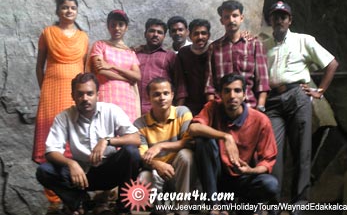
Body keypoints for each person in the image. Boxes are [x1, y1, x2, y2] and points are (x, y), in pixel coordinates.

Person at [264, 1, 339, 209]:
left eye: (283, 17)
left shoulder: (303, 40)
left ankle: (300, 204)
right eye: (275, 17)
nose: (279, 20)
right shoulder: (264, 45)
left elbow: (332, 63)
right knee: (272, 153)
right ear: (270, 20)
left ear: (290, 20)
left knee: (302, 151)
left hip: (297, 95)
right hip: (272, 101)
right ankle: (274, 204)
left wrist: (320, 91)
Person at [36, 73, 141, 215]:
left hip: (110, 171)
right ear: (73, 95)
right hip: (81, 176)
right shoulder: (64, 117)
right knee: (44, 171)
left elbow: (136, 139)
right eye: (80, 94)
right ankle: (81, 203)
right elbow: (50, 152)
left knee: (131, 152)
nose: (85, 98)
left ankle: (123, 208)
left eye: (89, 93)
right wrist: (71, 164)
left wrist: (107, 141)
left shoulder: (111, 110)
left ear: (97, 94)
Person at [189, 73, 278, 215]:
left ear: (244, 95)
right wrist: (226, 137)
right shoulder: (213, 107)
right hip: (216, 175)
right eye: (227, 91)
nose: (232, 96)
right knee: (204, 141)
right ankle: (215, 206)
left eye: (237, 91)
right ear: (220, 95)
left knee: (270, 184)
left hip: (242, 176)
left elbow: (268, 160)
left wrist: (250, 170)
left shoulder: (260, 120)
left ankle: (240, 206)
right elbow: (193, 128)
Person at [32, 0, 89, 213]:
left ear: (77, 11)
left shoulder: (83, 37)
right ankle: (54, 200)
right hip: (51, 90)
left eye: (73, 8)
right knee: (50, 141)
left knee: (73, 140)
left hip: (75, 93)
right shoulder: (48, 33)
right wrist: (44, 89)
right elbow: (39, 66)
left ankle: (73, 196)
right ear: (58, 11)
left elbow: (84, 69)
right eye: (64, 7)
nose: (68, 11)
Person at [134, 77, 195, 215]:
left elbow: (189, 142)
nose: (162, 98)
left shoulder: (182, 112)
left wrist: (161, 147)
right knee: (143, 177)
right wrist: (157, 165)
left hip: (180, 172)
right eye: (156, 94)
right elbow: (142, 155)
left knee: (187, 155)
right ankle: (159, 208)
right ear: (148, 97)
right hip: (156, 172)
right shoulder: (139, 124)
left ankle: (182, 209)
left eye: (166, 93)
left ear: (172, 95)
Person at [205, 0, 270, 111]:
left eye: (235, 16)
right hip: (221, 108)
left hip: (249, 107)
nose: (231, 20)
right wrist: (212, 110)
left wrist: (260, 107)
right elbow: (209, 84)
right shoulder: (214, 48)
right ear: (222, 21)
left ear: (241, 18)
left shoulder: (254, 44)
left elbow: (262, 81)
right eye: (227, 17)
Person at [89, 9, 141, 122]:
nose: (117, 28)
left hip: (127, 98)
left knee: (127, 135)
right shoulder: (100, 45)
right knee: (105, 132)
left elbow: (137, 76)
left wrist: (112, 66)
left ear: (126, 28)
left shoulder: (130, 52)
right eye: (113, 25)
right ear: (108, 27)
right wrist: (126, 79)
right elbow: (101, 70)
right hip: (107, 94)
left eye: (121, 25)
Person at [135, 18, 185, 114]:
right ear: (145, 33)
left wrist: (176, 114)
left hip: (161, 113)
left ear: (164, 36)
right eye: (152, 31)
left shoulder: (170, 56)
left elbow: (180, 88)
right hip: (134, 110)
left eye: (159, 32)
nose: (155, 35)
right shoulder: (134, 55)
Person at [174, 18, 212, 115]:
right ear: (190, 35)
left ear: (209, 35)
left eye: (203, 33)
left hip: (212, 103)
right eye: (196, 34)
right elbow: (181, 83)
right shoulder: (183, 53)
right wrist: (178, 109)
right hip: (190, 105)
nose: (200, 37)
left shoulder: (214, 50)